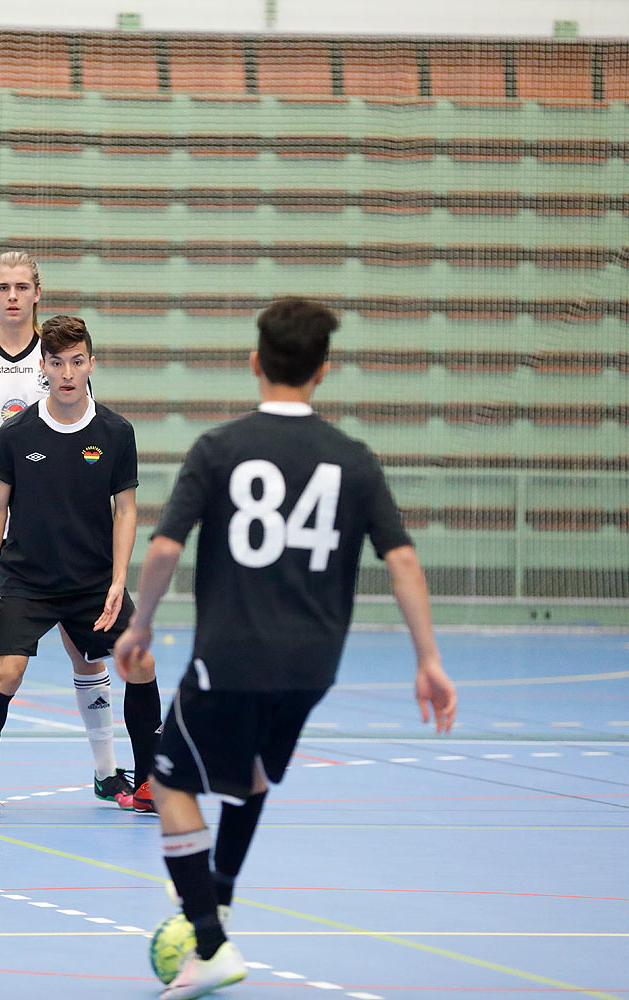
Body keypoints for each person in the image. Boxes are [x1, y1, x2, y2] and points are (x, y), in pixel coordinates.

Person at [112, 298, 457, 999]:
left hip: (231, 654)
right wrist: (428, 660)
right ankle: (223, 904)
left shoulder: (218, 448)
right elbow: (405, 564)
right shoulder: (354, 461)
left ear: (254, 362)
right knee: (253, 777)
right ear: (323, 372)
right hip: (313, 667)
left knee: (171, 780)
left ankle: (209, 942)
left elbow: (166, 547)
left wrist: (140, 625)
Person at [0, 252, 142, 809]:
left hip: (66, 534)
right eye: (3, 287)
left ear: (38, 293)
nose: (13, 296)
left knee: (86, 649)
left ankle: (107, 770)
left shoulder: (56, 359)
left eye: (23, 286)